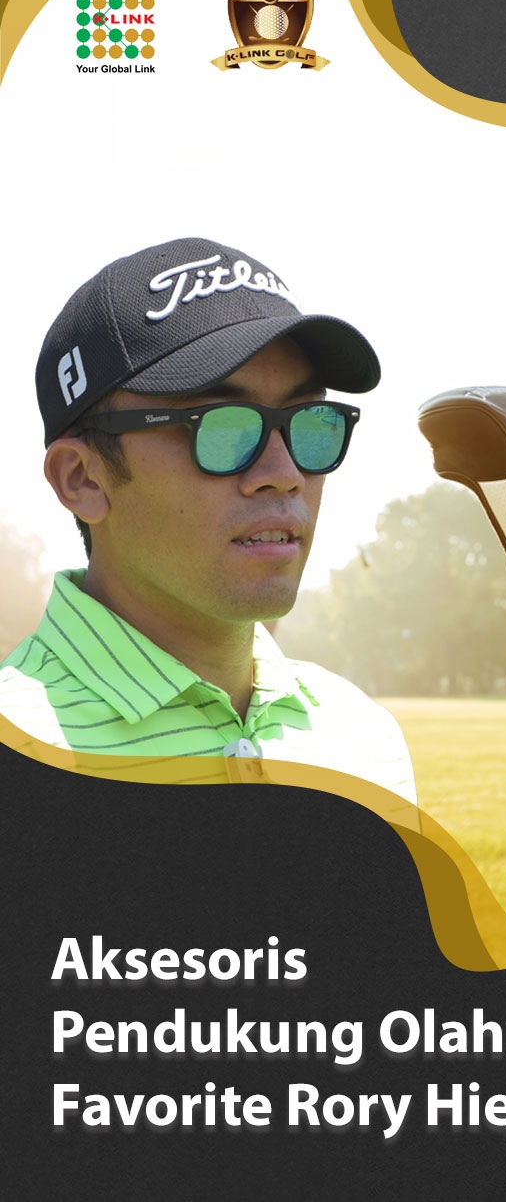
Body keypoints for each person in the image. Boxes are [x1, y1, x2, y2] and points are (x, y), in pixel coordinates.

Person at [0, 237, 416, 801]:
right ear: (83, 479)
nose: (285, 473)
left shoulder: (365, 740)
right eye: (223, 427)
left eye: (310, 421)